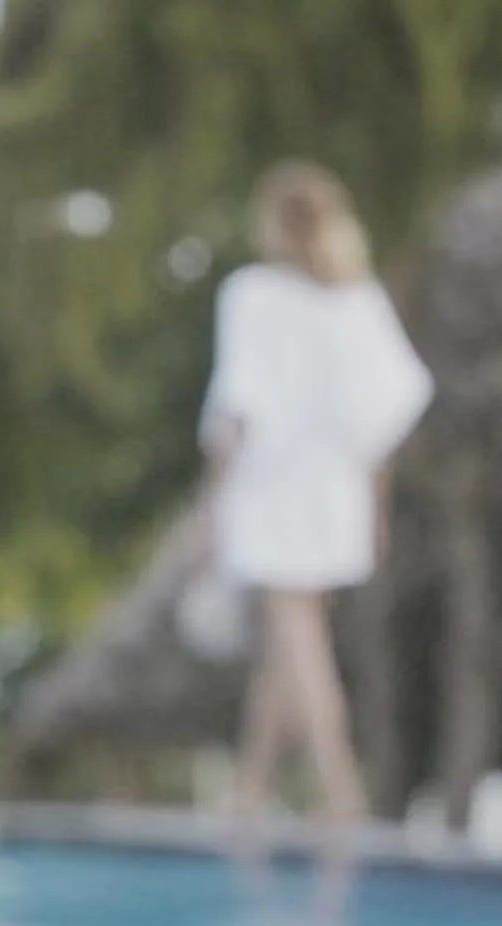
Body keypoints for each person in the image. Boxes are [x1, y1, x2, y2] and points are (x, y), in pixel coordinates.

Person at [200, 161, 432, 829]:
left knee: (299, 638)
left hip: (274, 490)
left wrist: (212, 501)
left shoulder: (252, 295)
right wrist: (376, 507)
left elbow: (236, 412)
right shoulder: (357, 300)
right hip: (338, 492)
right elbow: (388, 414)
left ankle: (339, 786)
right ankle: (251, 789)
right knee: (289, 640)